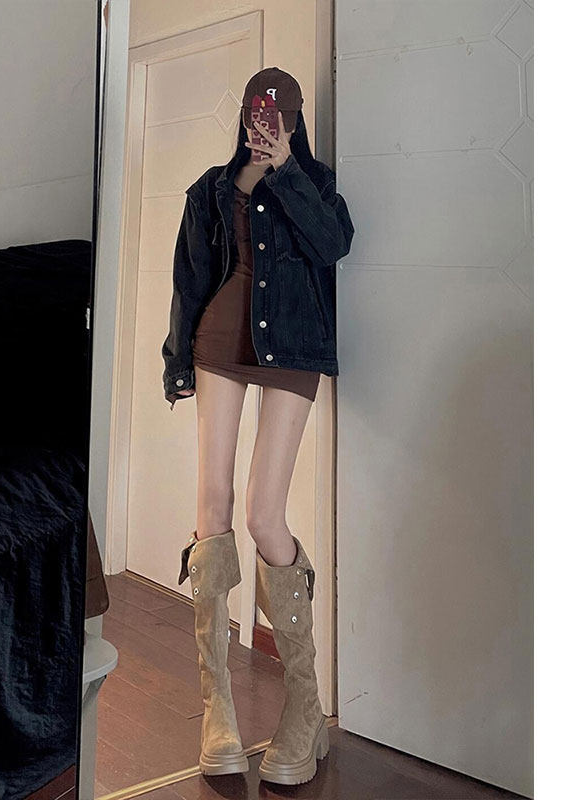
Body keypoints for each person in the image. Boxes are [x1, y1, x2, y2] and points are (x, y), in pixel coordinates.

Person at [164, 67, 354, 785]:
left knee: (263, 514)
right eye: (255, 112)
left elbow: (333, 245)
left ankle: (306, 708)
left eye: (278, 115)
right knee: (210, 508)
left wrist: (286, 172)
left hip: (294, 347)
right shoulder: (213, 188)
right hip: (220, 341)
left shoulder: (316, 183)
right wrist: (177, 362)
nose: (264, 123)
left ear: (295, 121)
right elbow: (191, 278)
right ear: (244, 114)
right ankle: (217, 709)